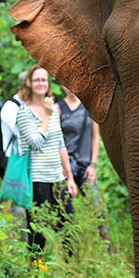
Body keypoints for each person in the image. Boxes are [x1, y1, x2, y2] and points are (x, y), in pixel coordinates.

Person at [16, 64, 77, 250]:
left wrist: (70, 176)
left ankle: (71, 270)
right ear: (30, 83)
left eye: (44, 79)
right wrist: (47, 116)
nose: (41, 83)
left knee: (68, 227)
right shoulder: (24, 112)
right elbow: (35, 143)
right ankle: (36, 271)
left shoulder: (53, 109)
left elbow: (60, 144)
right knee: (38, 231)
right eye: (37, 80)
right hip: (37, 179)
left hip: (57, 177)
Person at [59, 85, 115, 254]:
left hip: (85, 165)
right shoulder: (58, 108)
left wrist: (93, 165)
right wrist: (65, 171)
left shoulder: (88, 107)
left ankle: (108, 250)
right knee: (65, 210)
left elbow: (95, 137)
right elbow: (57, 139)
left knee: (96, 206)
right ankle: (70, 252)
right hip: (65, 166)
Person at [0, 70, 27, 241]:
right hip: (15, 162)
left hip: (29, 163)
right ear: (21, 87)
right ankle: (20, 246)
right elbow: (23, 133)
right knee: (18, 206)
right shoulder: (10, 107)